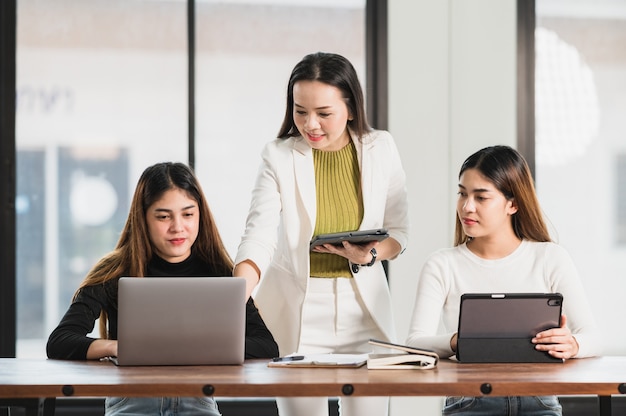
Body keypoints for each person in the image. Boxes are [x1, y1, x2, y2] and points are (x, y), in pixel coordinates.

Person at [233, 51, 410, 416]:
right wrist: (234, 297)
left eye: (324, 113)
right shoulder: (278, 155)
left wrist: (372, 254)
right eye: (300, 111)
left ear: (351, 107)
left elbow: (399, 233)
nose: (310, 124)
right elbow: (259, 234)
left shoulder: (381, 148)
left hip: (364, 311)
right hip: (299, 311)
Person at [47, 162, 278, 416]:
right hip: (130, 403)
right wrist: (117, 347)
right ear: (143, 217)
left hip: (198, 403)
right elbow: (60, 341)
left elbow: (266, 345)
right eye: (164, 216)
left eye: (188, 214)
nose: (178, 227)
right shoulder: (114, 271)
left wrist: (208, 348)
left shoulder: (220, 272)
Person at [406, 145, 603, 416]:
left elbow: (595, 337)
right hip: (469, 403)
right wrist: (458, 340)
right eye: (462, 193)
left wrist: (573, 344)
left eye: (481, 197)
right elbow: (414, 344)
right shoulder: (442, 264)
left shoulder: (549, 257)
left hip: (540, 403)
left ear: (513, 203)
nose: (467, 206)